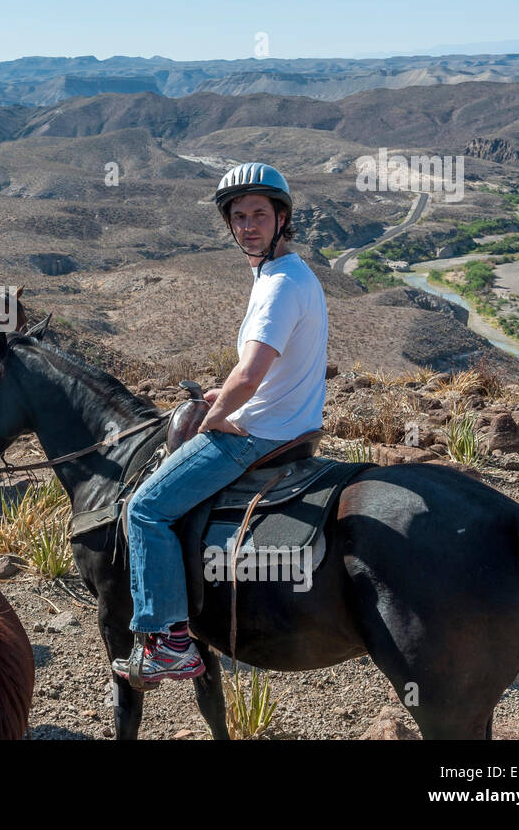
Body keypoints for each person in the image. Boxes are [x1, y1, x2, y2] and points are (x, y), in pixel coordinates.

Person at [112, 162, 328, 688]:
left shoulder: (279, 284)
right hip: (289, 422)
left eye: (259, 213)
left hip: (258, 435)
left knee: (145, 509)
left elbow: (251, 373)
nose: (248, 224)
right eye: (238, 216)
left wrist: (216, 415)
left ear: (283, 218)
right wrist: (222, 393)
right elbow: (263, 368)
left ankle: (172, 644)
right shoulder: (286, 274)